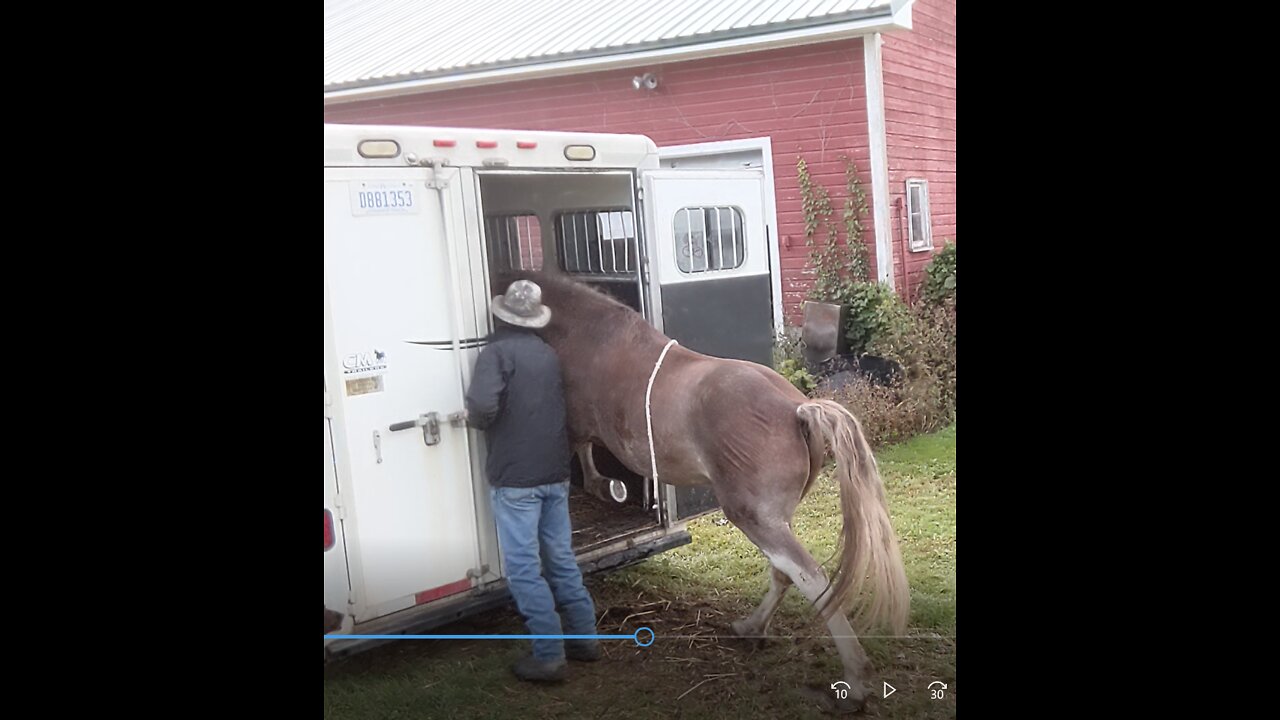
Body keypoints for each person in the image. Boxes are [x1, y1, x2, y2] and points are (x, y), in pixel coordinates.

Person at [462, 279, 600, 683]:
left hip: (516, 479)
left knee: (524, 569)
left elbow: (482, 405)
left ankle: (549, 656)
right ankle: (585, 640)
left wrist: (475, 419)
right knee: (561, 560)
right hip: (555, 474)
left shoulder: (495, 353)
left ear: (502, 314)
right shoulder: (548, 354)